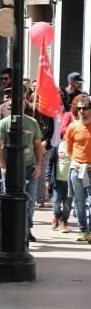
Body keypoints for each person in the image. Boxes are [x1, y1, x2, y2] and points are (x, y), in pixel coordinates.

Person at [0, 99, 45, 243]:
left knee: (30, 199)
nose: (17, 107)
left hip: (29, 166)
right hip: (10, 168)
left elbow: (38, 145)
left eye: (20, 105)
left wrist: (39, 165)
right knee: (9, 199)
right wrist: (3, 166)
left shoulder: (32, 123)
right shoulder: (4, 123)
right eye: (13, 105)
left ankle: (26, 229)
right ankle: (10, 229)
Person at [65, 94, 91, 243]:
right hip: (77, 170)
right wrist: (76, 162)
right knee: (80, 202)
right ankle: (84, 230)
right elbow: (69, 147)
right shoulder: (73, 126)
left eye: (84, 108)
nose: (81, 111)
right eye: (79, 108)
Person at [46, 138, 72, 233]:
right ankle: (57, 216)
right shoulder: (57, 148)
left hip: (71, 182)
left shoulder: (75, 148)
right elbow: (50, 164)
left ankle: (63, 221)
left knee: (67, 204)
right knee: (56, 201)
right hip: (57, 181)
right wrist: (48, 179)